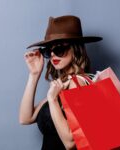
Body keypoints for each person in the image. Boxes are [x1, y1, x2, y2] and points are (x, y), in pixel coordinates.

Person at [19, 15, 102, 150]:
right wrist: (34, 75)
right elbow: (25, 118)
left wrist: (52, 99)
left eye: (59, 49)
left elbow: (70, 143)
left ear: (75, 49)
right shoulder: (62, 84)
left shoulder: (78, 83)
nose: (52, 55)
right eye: (48, 51)